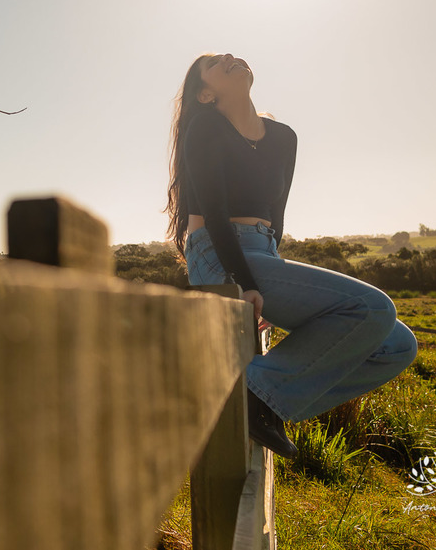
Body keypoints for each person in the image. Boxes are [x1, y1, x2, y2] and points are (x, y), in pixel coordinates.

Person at [164, 52, 418, 459]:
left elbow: (276, 218)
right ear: (206, 94)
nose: (229, 56)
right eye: (213, 62)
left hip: (263, 252)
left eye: (229, 53)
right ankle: (254, 397)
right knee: (372, 307)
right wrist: (247, 282)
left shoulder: (284, 137)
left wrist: (272, 280)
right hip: (216, 251)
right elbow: (214, 214)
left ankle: (266, 400)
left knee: (398, 346)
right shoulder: (206, 126)